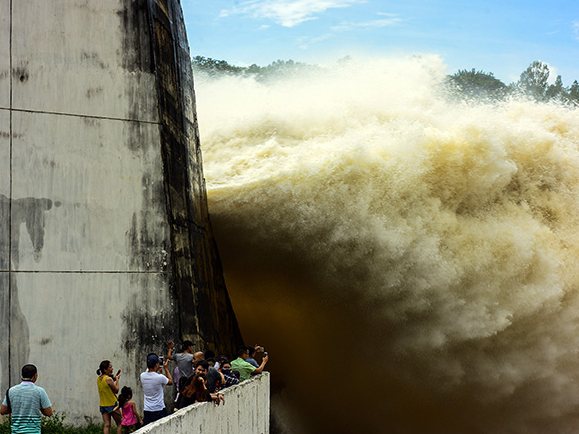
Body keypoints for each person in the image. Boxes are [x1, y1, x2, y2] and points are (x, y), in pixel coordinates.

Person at [0, 364, 52, 434]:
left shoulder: (11, 391)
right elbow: (49, 413)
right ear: (35, 376)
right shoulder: (40, 391)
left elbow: (3, 411)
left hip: (16, 432)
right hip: (34, 431)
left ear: (21, 375)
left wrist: (17, 409)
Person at [140, 354, 173, 425]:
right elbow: (170, 382)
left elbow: (149, 372)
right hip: (159, 409)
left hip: (147, 410)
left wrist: (157, 369)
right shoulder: (160, 377)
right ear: (156, 364)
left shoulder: (142, 376)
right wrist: (166, 369)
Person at [96, 360, 122, 434]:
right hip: (112, 404)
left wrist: (114, 379)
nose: (112, 368)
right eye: (110, 367)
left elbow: (107, 385)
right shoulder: (108, 379)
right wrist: (117, 380)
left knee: (107, 425)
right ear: (105, 369)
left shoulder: (99, 379)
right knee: (119, 423)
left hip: (103, 405)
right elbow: (116, 390)